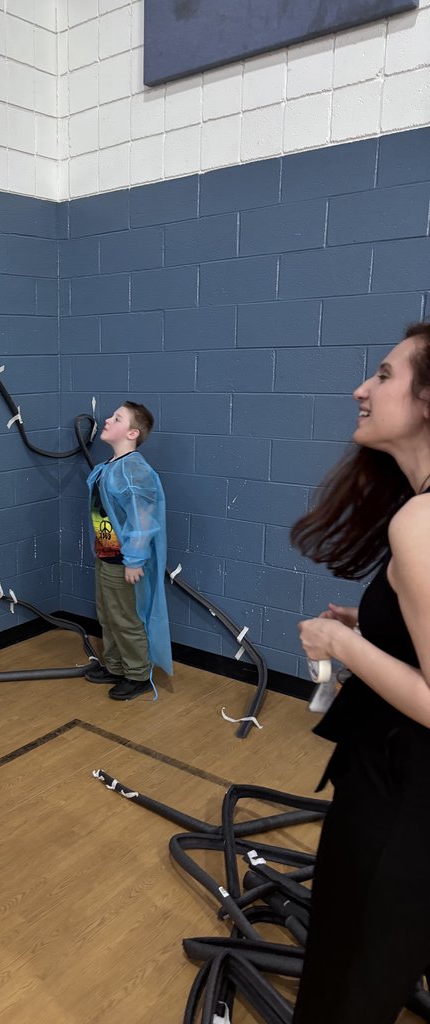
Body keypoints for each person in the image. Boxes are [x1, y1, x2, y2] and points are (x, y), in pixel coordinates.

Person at [291, 321, 430, 1023]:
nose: (361, 389)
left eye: (382, 375)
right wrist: (370, 626)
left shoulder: (421, 522)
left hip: (401, 807)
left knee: (344, 986)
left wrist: (340, 647)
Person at [84, 402, 172, 700]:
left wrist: (134, 559)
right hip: (106, 555)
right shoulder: (111, 467)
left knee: (125, 618)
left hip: (123, 561)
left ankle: (137, 675)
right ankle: (115, 665)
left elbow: (143, 518)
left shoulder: (134, 470)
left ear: (132, 432)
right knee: (107, 615)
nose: (107, 419)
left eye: (117, 418)